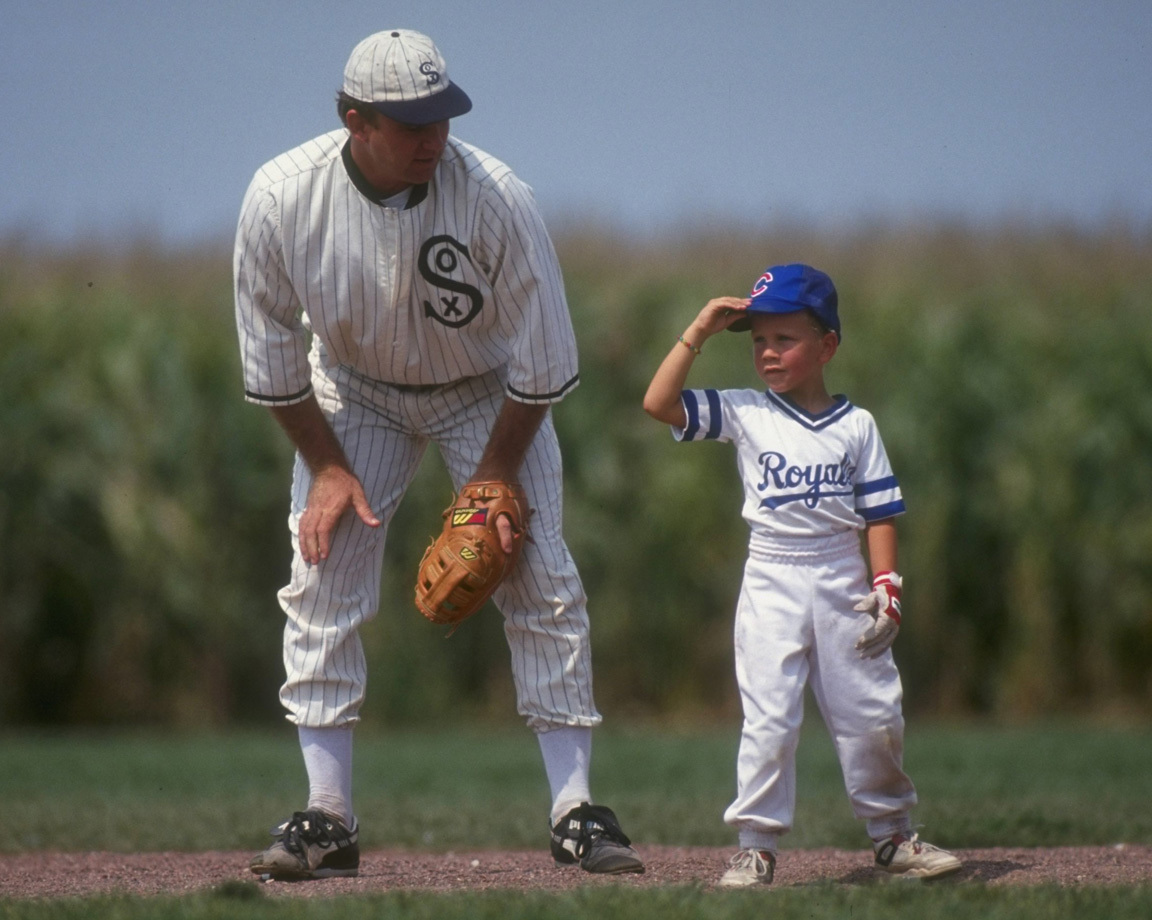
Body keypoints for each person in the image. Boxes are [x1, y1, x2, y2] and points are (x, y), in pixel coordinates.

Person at [232, 28, 643, 881]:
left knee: (536, 573)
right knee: (323, 572)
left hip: (486, 392)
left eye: (443, 116)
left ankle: (575, 812)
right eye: (410, 121)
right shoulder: (281, 199)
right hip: (352, 391)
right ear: (355, 119)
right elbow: (271, 360)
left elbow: (545, 360)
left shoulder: (496, 197)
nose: (434, 137)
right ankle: (328, 815)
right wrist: (332, 469)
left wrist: (495, 472)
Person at [641, 263, 963, 887]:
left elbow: (880, 514)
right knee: (769, 717)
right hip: (771, 574)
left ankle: (893, 838)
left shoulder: (856, 426)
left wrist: (887, 588)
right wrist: (700, 331)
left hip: (843, 574)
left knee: (871, 714)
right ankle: (756, 846)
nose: (767, 351)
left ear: (828, 345)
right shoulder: (744, 412)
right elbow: (658, 404)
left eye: (785, 338)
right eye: (760, 339)